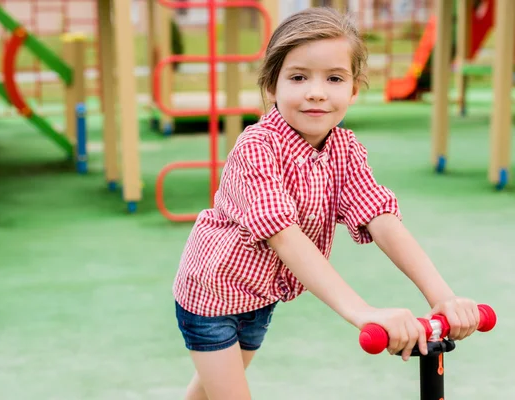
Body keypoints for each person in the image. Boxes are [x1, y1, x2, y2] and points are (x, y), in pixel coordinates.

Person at [172, 7, 480, 400]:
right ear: (272, 86)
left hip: (260, 297)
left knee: (208, 393)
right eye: (299, 77)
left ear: (353, 89)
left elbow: (380, 217)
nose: (317, 91)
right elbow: (284, 237)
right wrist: (362, 312)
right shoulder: (257, 149)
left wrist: (442, 296)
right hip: (211, 293)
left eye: (334, 78)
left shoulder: (345, 151)